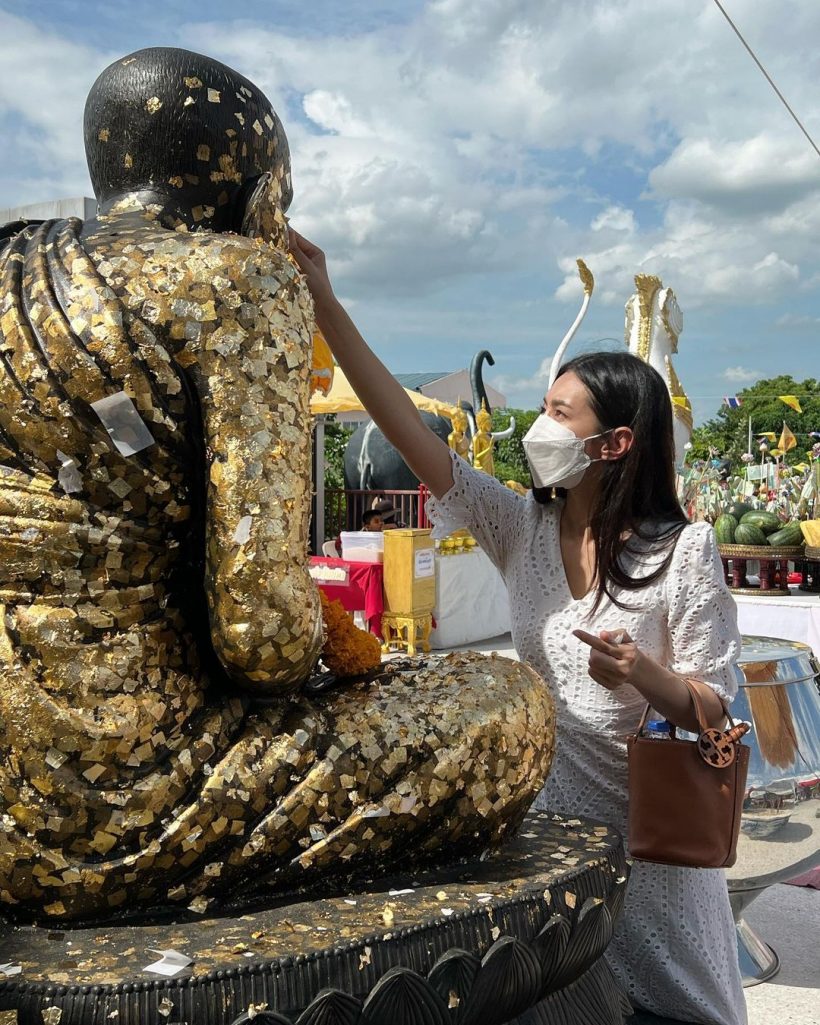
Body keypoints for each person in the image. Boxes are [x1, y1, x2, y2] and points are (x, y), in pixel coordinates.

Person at [289, 228, 747, 1025]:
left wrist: (642, 673)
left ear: (615, 443)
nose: (537, 429)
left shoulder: (684, 550)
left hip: (658, 874)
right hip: (551, 867)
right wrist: (327, 304)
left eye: (557, 413)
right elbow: (405, 426)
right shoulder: (518, 528)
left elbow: (717, 712)